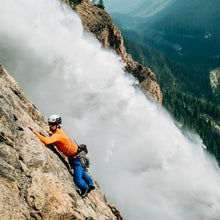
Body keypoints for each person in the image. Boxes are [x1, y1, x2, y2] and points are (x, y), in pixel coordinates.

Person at [28, 114, 95, 198]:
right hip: (75, 157)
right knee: (80, 172)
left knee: (77, 180)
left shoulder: (57, 135)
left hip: (76, 159)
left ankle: (85, 188)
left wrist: (35, 132)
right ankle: (91, 183)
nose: (49, 126)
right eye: (49, 124)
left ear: (57, 125)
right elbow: (59, 138)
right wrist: (52, 133)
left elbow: (47, 141)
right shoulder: (59, 131)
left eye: (52, 125)